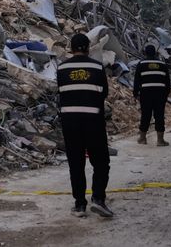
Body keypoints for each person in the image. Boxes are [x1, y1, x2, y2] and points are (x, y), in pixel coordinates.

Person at [57, 33, 113, 218]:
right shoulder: (97, 67)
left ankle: (80, 205)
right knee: (101, 162)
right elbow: (104, 93)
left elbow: (61, 93)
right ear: (88, 48)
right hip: (93, 122)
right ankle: (98, 198)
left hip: (70, 123)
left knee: (76, 163)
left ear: (71, 49)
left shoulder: (62, 68)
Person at [133, 45, 171, 146]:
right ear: (155, 53)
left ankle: (142, 138)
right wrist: (165, 95)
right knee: (159, 115)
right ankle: (160, 140)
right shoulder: (162, 64)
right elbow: (167, 82)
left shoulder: (141, 64)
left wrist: (135, 94)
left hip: (146, 94)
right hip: (160, 94)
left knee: (145, 115)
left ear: (145, 53)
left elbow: (137, 81)